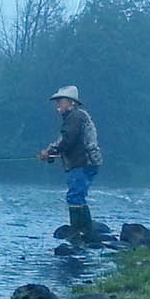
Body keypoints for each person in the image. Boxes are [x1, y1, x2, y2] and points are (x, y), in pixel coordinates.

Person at [38, 85, 102, 244]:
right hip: (86, 162)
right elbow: (68, 142)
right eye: (57, 101)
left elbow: (67, 141)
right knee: (77, 195)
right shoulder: (76, 117)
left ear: (72, 103)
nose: (58, 105)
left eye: (61, 101)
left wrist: (49, 152)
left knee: (75, 196)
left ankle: (80, 232)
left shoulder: (75, 117)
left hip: (83, 162)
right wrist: (52, 152)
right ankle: (86, 233)